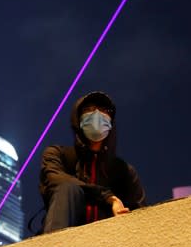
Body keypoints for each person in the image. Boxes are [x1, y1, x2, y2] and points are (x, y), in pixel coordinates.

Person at [39, 91, 146, 233]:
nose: (96, 115)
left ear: (111, 122)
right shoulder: (58, 154)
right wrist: (108, 197)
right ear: (77, 119)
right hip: (68, 240)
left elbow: (142, 212)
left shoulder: (124, 171)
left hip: (109, 241)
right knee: (68, 188)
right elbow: (54, 178)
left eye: (104, 110)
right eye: (88, 109)